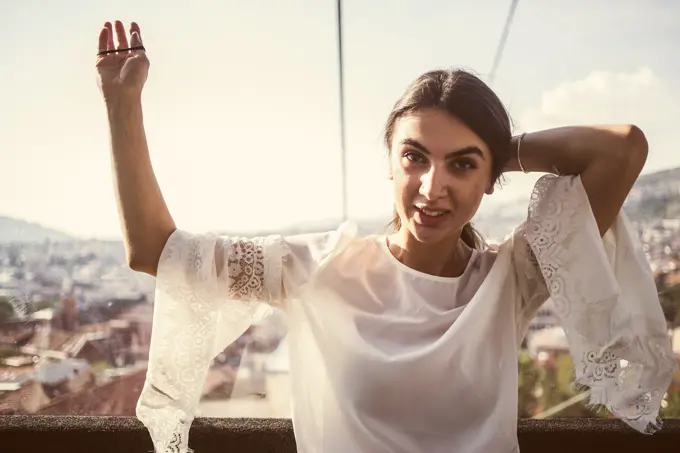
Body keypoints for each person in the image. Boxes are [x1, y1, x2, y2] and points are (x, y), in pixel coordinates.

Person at [96, 20, 677, 453]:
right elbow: (156, 251)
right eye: (416, 156)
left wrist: (501, 149)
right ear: (392, 163)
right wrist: (122, 107)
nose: (432, 186)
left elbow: (621, 149)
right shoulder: (313, 268)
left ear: (487, 180)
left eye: (463, 165)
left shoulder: (512, 279)